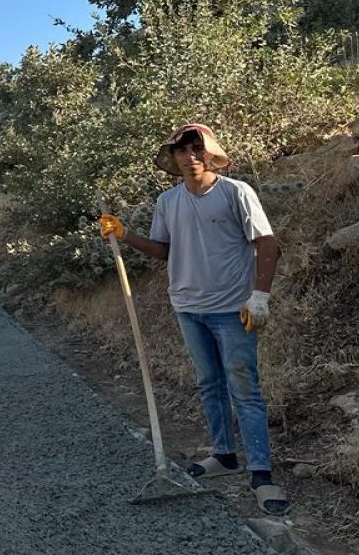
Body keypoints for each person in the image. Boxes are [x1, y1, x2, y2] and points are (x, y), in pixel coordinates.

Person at [98, 124, 288, 515]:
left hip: (233, 309)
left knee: (244, 389)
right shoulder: (168, 201)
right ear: (174, 158)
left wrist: (259, 297)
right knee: (208, 384)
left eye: (197, 148)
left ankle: (261, 473)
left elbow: (266, 242)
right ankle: (224, 455)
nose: (190, 156)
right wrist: (124, 233)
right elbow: (164, 251)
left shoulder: (236, 192)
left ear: (212, 152)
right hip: (188, 307)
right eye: (182, 150)